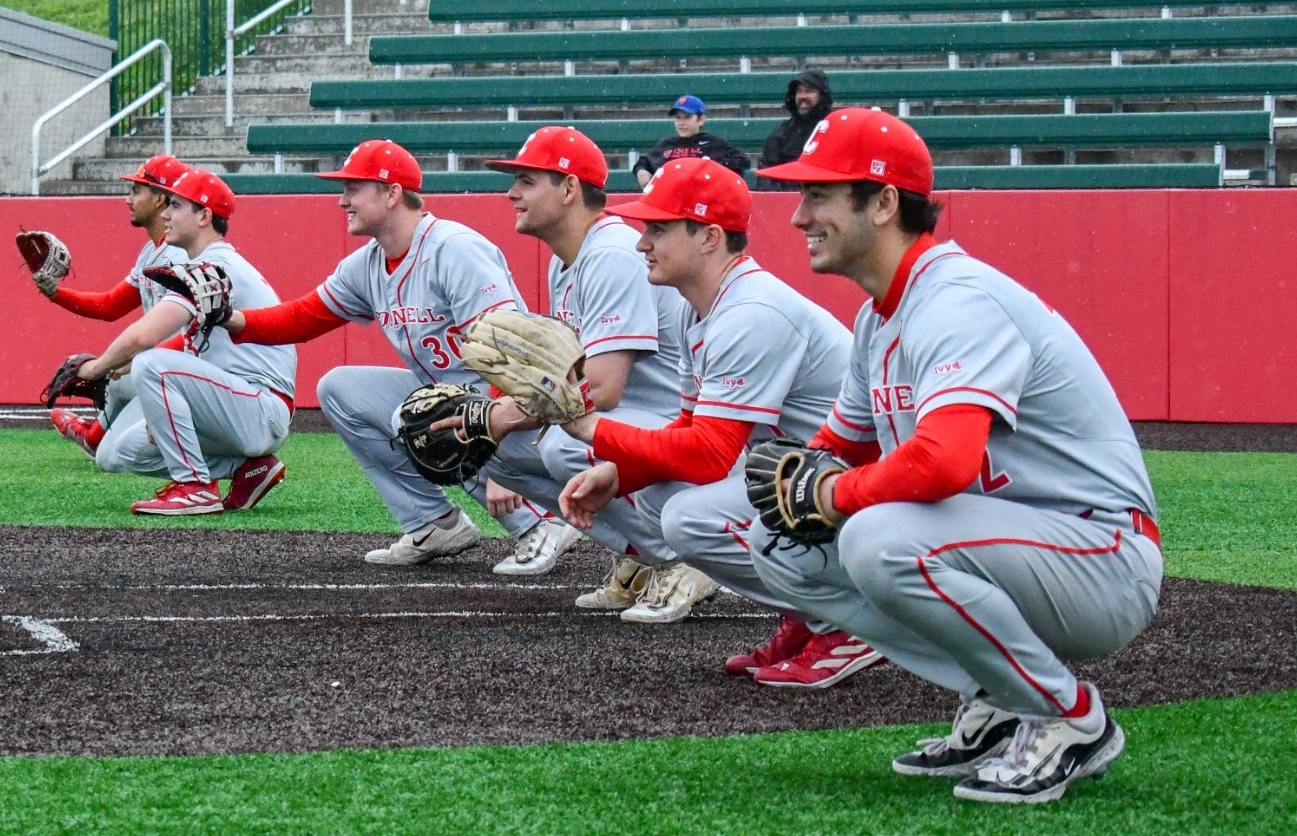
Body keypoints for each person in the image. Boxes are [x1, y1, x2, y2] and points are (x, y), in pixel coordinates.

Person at [750, 107, 1163, 801]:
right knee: (780, 546)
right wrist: (803, 481)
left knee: (880, 537)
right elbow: (839, 443)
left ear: (882, 202)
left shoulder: (955, 300)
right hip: (1010, 545)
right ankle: (1000, 695)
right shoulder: (879, 314)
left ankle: (1067, 717)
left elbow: (942, 463)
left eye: (818, 193)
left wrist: (830, 495)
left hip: (1099, 555)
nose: (798, 216)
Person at [548, 159, 882, 678]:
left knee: (690, 518)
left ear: (708, 237)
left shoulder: (751, 311)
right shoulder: (697, 306)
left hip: (866, 490)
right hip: (810, 476)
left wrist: (593, 430)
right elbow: (688, 427)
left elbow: (708, 456)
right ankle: (810, 613)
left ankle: (849, 621)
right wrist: (619, 474)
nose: (642, 243)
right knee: (660, 493)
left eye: (658, 229)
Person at [221, 140, 579, 572]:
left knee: (425, 416)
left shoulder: (453, 248)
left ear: (392, 194)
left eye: (354, 188)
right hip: (455, 397)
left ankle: (539, 524)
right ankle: (433, 523)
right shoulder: (368, 264)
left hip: (522, 407)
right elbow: (303, 317)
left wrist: (492, 431)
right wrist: (230, 318)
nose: (342, 200)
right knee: (340, 388)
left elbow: (508, 351)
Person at [465, 125, 719, 609]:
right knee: (491, 449)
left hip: (679, 423)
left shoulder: (611, 253)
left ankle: (694, 557)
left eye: (527, 180)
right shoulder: (567, 260)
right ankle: (647, 554)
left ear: (568, 188)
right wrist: (492, 419)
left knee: (563, 441)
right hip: (642, 419)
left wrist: (500, 416)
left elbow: (601, 389)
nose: (511, 193)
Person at [65, 167, 298, 515]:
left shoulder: (215, 265)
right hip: (233, 405)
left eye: (176, 206)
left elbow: (145, 335)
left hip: (259, 406)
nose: (167, 214)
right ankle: (244, 468)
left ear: (204, 215)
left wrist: (97, 368)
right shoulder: (206, 262)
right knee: (118, 453)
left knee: (149, 363)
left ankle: (194, 487)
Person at [47, 154, 191, 459]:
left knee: (113, 457)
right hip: (168, 363)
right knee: (121, 376)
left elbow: (194, 333)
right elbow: (111, 305)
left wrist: (127, 360)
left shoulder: (181, 255)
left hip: (190, 369)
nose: (128, 199)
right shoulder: (152, 251)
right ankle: (94, 437)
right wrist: (55, 293)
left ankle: (196, 448)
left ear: (160, 199)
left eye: (137, 190)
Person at [632, 95, 751, 188]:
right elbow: (644, 161)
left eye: (687, 117)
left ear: (701, 120)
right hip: (669, 199)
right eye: (678, 118)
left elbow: (742, 161)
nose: (681, 123)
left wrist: (710, 172)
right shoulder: (666, 144)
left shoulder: (713, 143)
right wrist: (642, 171)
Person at [756, 67, 833, 192]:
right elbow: (766, 171)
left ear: (822, 95)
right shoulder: (782, 132)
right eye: (799, 91)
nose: (803, 96)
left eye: (809, 91)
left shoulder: (835, 128)